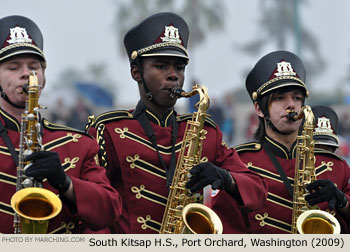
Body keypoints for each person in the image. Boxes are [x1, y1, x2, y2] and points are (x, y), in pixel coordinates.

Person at [86, 12, 267, 234]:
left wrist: (226, 177)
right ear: (136, 73)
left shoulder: (205, 132)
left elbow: (257, 191)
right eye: (161, 66)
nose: (173, 75)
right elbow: (94, 211)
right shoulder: (109, 130)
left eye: (179, 68)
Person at [0, 15, 122, 234]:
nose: (26, 73)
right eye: (13, 67)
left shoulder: (78, 144)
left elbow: (109, 210)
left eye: (34, 66)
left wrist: (66, 183)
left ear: (44, 77)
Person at [234, 50, 350, 233]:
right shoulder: (238, 163)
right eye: (280, 98)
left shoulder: (336, 166)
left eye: (297, 98)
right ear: (259, 109)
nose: (291, 105)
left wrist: (343, 202)